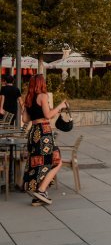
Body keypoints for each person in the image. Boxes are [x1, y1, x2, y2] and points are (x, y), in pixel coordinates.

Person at [21, 74, 69, 206]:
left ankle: (38, 195)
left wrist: (24, 107)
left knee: (38, 162)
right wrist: (60, 106)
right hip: (44, 132)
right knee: (56, 161)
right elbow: (48, 115)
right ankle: (42, 190)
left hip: (33, 132)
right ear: (41, 83)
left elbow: (25, 120)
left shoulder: (28, 98)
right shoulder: (43, 96)